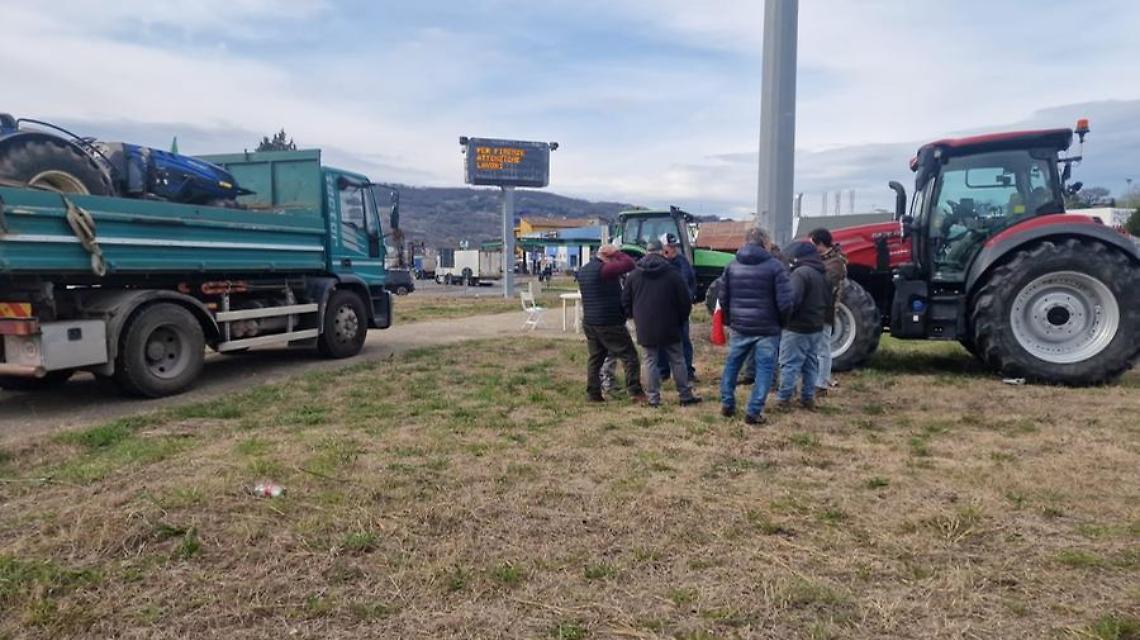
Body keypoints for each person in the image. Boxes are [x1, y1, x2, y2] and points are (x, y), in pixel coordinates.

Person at [718, 228, 794, 424]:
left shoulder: (732, 266)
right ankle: (753, 411)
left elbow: (723, 298)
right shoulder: (775, 267)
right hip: (767, 329)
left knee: (732, 365)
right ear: (765, 243)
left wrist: (729, 320)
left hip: (740, 326)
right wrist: (782, 323)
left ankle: (727, 403)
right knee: (764, 370)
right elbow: (785, 302)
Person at [622, 241, 702, 407]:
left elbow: (625, 301)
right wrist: (681, 319)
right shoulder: (672, 274)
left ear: (646, 252)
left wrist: (635, 317)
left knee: (650, 360)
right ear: (661, 252)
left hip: (645, 325)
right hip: (671, 324)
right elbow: (684, 301)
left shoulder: (634, 275)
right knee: (677, 359)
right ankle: (685, 395)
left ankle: (653, 398)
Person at [578, 244, 644, 403]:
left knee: (596, 358)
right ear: (607, 257)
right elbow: (630, 264)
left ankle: (593, 393)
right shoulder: (605, 270)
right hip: (609, 321)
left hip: (590, 322)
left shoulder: (584, 270)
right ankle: (635, 392)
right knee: (630, 356)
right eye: (613, 258)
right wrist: (617, 252)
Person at [776, 241, 832, 411]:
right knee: (810, 364)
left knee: (789, 363)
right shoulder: (823, 274)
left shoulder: (800, 274)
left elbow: (792, 300)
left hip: (797, 327)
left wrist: (784, 318)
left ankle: (784, 399)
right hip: (816, 326)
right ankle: (808, 399)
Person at [809, 228, 847, 396]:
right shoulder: (821, 260)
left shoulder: (836, 263)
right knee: (814, 348)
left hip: (825, 309)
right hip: (814, 309)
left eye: (812, 243)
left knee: (823, 349)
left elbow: (826, 285)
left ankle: (822, 383)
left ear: (821, 244)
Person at [659, 234, 698, 382]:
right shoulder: (658, 264)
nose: (673, 249)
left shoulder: (682, 262)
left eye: (674, 246)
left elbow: (691, 280)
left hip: (681, 309)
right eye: (670, 246)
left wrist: (690, 297)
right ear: (663, 248)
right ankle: (663, 371)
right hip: (664, 309)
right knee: (661, 342)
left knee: (684, 341)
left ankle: (687, 371)